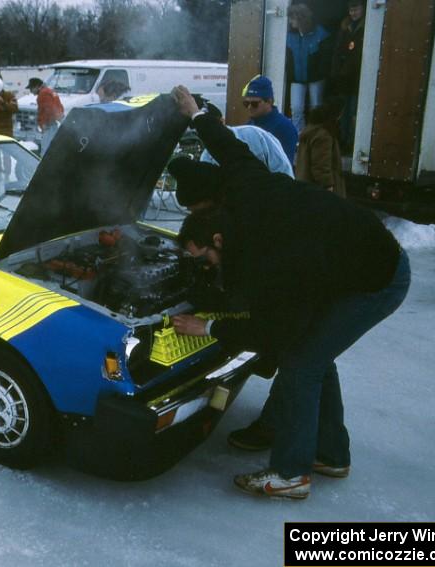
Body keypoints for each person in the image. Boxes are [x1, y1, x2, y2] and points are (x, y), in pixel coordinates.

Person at [169, 85, 410, 500]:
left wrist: (207, 325)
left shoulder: (268, 250)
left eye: (195, 216)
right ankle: (331, 454)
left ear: (216, 230)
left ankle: (290, 474)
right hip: (353, 255)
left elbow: (271, 332)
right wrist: (195, 114)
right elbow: (227, 144)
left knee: (300, 361)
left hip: (377, 277)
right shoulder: (244, 182)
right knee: (318, 356)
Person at [286, 3, 332, 132]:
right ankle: (299, 138)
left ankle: (315, 135)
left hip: (316, 78)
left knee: (316, 108)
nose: (290, 21)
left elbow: (326, 58)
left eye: (292, 18)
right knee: (296, 109)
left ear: (301, 18)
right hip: (296, 78)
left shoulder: (321, 33)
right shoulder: (289, 35)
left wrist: (321, 74)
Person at [331, 0, 366, 150]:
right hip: (344, 77)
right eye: (351, 10)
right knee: (344, 111)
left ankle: (354, 141)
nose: (353, 13)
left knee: (355, 111)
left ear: (363, 9)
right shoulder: (345, 28)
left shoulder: (367, 28)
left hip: (360, 77)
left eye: (356, 9)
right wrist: (335, 73)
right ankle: (344, 140)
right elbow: (338, 52)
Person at [241, 75, 298, 164]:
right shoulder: (249, 125)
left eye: (254, 104)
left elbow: (285, 166)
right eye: (246, 103)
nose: (249, 107)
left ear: (269, 101)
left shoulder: (285, 128)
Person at [295, 99, 346, 197]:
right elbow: (321, 166)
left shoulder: (311, 130)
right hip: (319, 192)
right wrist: (328, 186)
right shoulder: (323, 136)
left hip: (306, 187)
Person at [26, 77, 64, 155]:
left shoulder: (43, 94)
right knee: (54, 148)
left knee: (45, 152)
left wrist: (45, 124)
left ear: (37, 86)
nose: (31, 91)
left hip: (49, 127)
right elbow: (60, 108)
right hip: (55, 125)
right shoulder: (50, 91)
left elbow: (48, 110)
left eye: (31, 88)